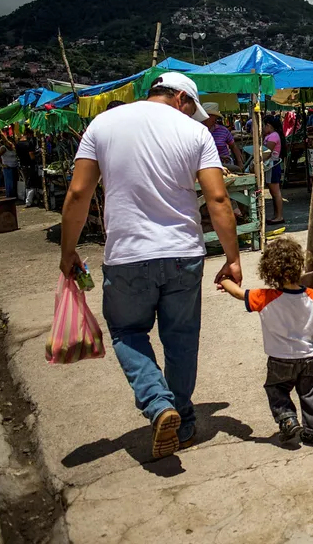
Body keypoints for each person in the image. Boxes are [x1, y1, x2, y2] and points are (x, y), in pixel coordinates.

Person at [59, 72, 241, 459]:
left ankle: (159, 405)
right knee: (181, 338)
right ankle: (184, 421)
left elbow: (78, 192)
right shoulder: (195, 134)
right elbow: (218, 199)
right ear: (180, 98)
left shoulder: (103, 123)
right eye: (191, 107)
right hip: (182, 253)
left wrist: (68, 251)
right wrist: (233, 259)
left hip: (126, 256)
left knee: (127, 331)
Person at [218, 237, 313, 447]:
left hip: (280, 359)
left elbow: (237, 293)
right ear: (300, 266)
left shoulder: (264, 296)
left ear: (269, 270)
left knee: (276, 390)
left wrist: (224, 279)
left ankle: (287, 419)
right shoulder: (312, 296)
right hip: (310, 356)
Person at [201, 103, 244, 171]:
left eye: (215, 117)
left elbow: (233, 146)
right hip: (206, 165)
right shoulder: (198, 131)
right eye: (213, 116)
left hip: (225, 163)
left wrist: (240, 162)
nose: (215, 119)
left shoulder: (223, 130)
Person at [263, 116, 285, 224]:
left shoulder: (273, 136)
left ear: (268, 125)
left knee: (276, 192)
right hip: (271, 165)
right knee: (273, 192)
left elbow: (266, 153)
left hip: (272, 165)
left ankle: (279, 216)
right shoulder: (272, 135)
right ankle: (276, 215)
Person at [16, 129, 40, 207]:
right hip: (29, 165)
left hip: (22, 165)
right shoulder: (29, 143)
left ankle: (29, 200)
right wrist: (37, 155)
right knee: (31, 182)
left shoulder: (18, 144)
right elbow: (31, 156)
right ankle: (29, 201)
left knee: (27, 182)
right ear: (29, 134)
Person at [0, 135, 19, 200]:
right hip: (8, 167)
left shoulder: (13, 148)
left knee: (15, 182)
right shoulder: (3, 148)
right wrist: (2, 165)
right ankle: (10, 197)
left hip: (15, 166)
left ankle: (15, 195)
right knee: (10, 183)